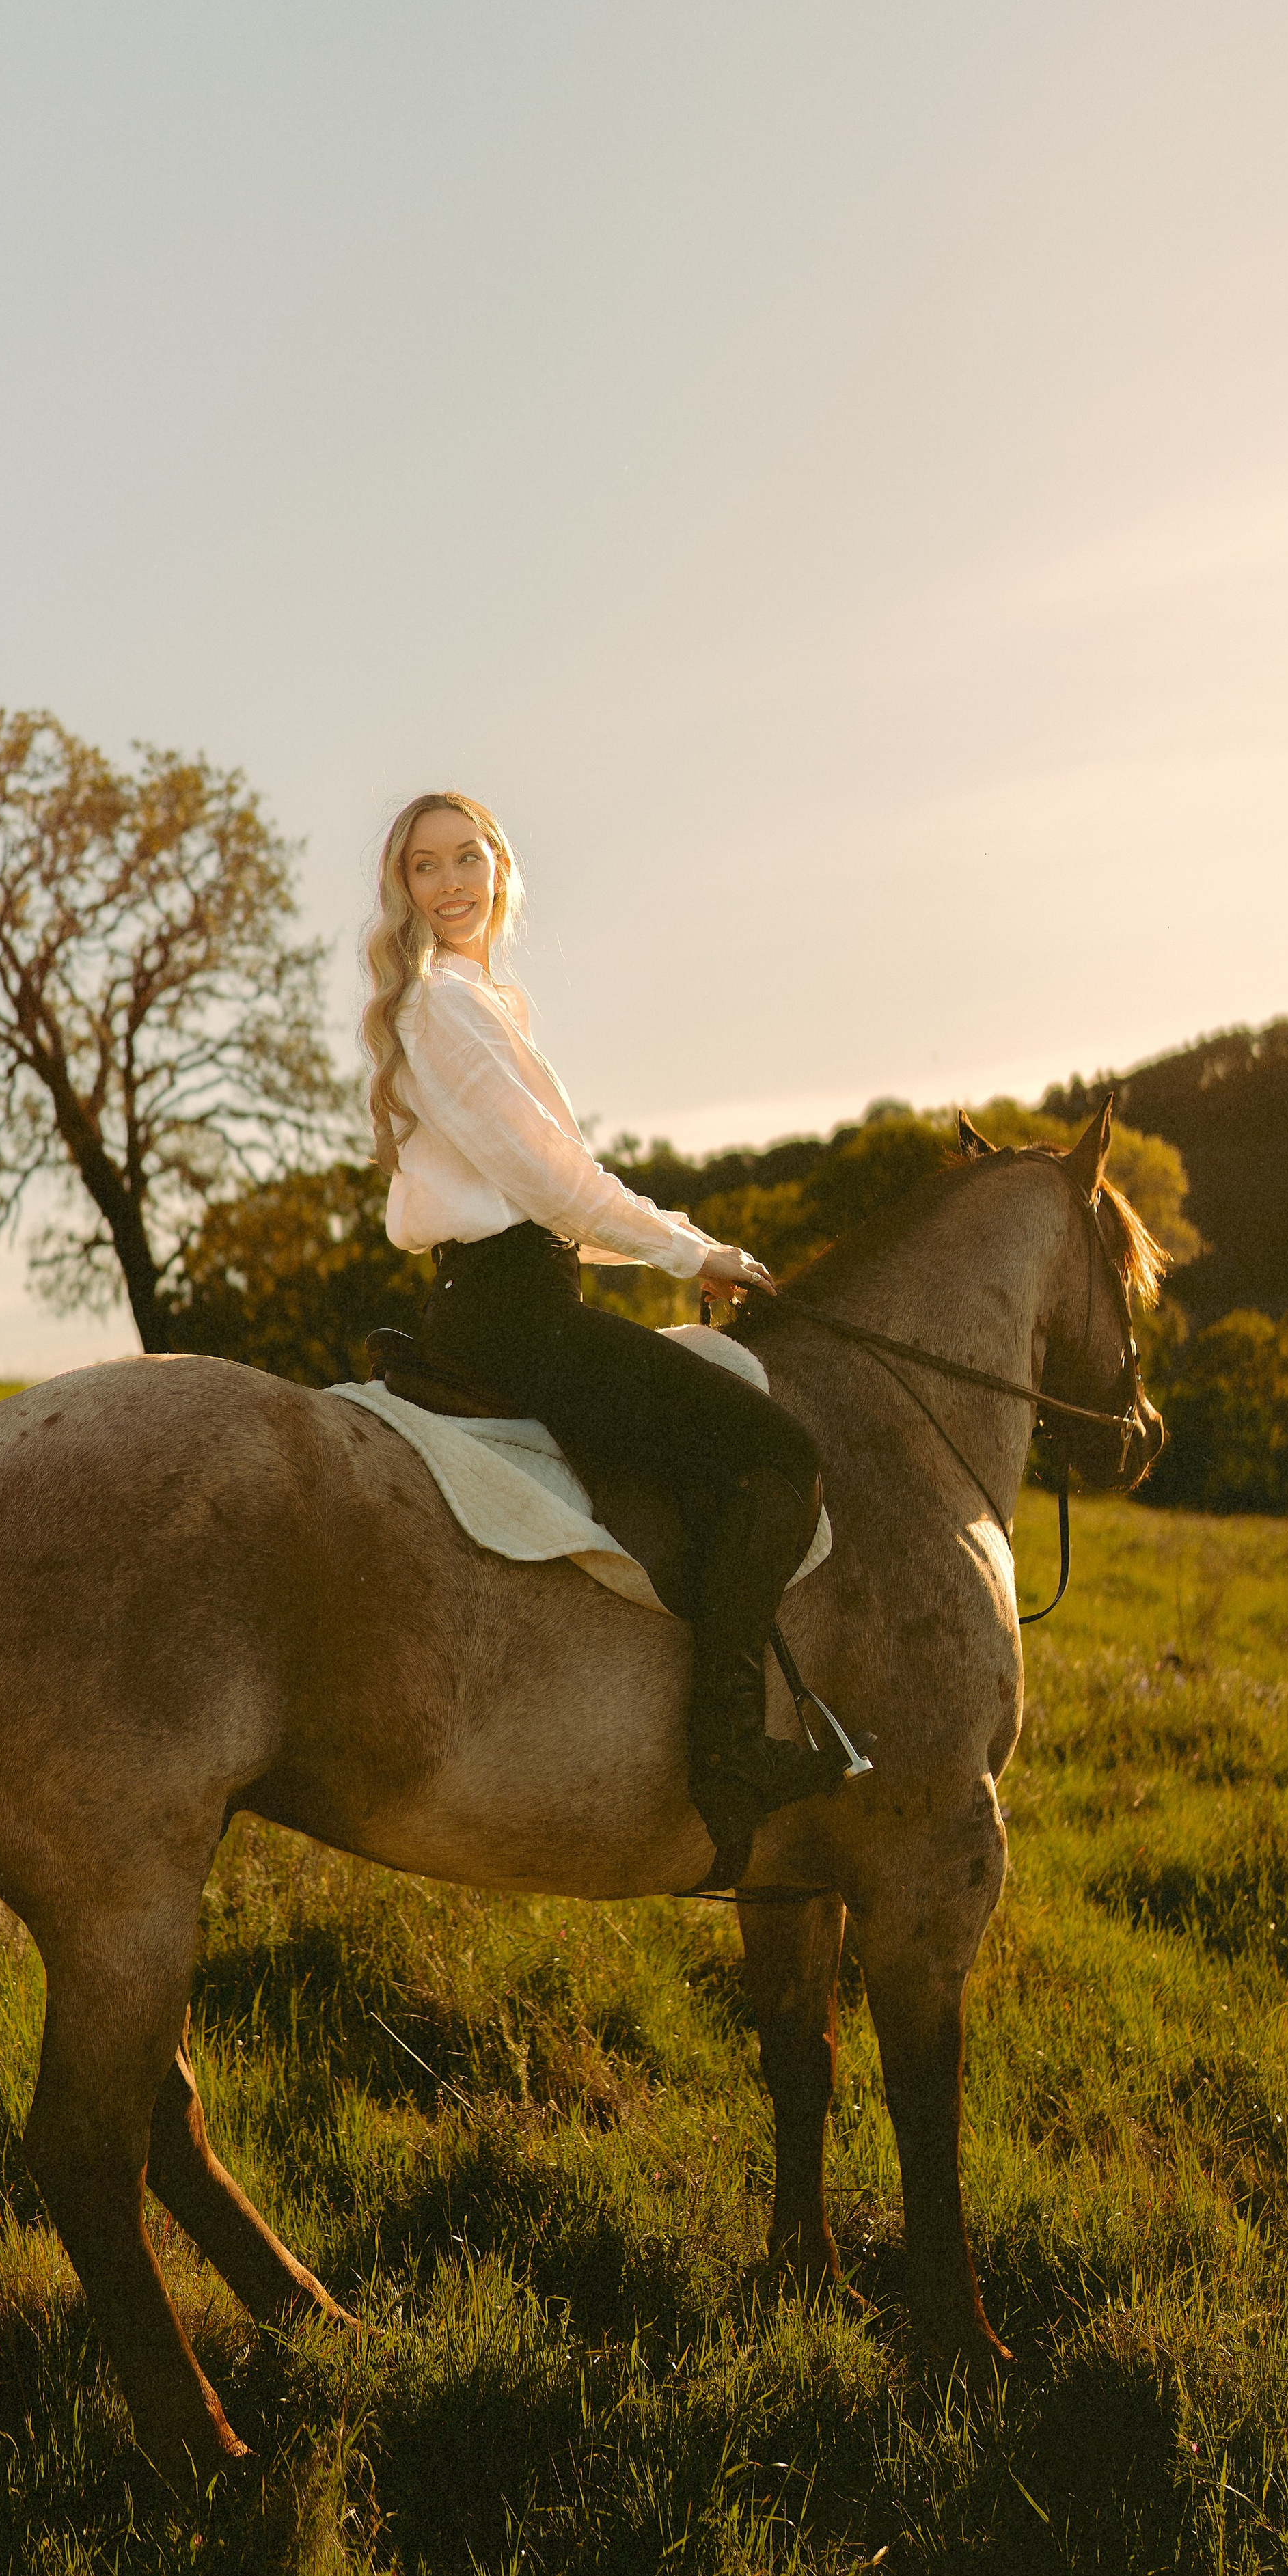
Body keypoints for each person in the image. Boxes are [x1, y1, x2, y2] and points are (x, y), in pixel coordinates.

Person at [361, 790, 842, 1887]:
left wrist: (687, 1242)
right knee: (780, 1457)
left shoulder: (484, 1002)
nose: (449, 885)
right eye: (424, 868)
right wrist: (697, 1256)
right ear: (403, 889)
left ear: (502, 866)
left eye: (465, 860)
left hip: (517, 1291)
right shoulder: (444, 1008)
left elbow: (566, 1191)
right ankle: (728, 1758)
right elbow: (553, 1185)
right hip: (512, 1309)